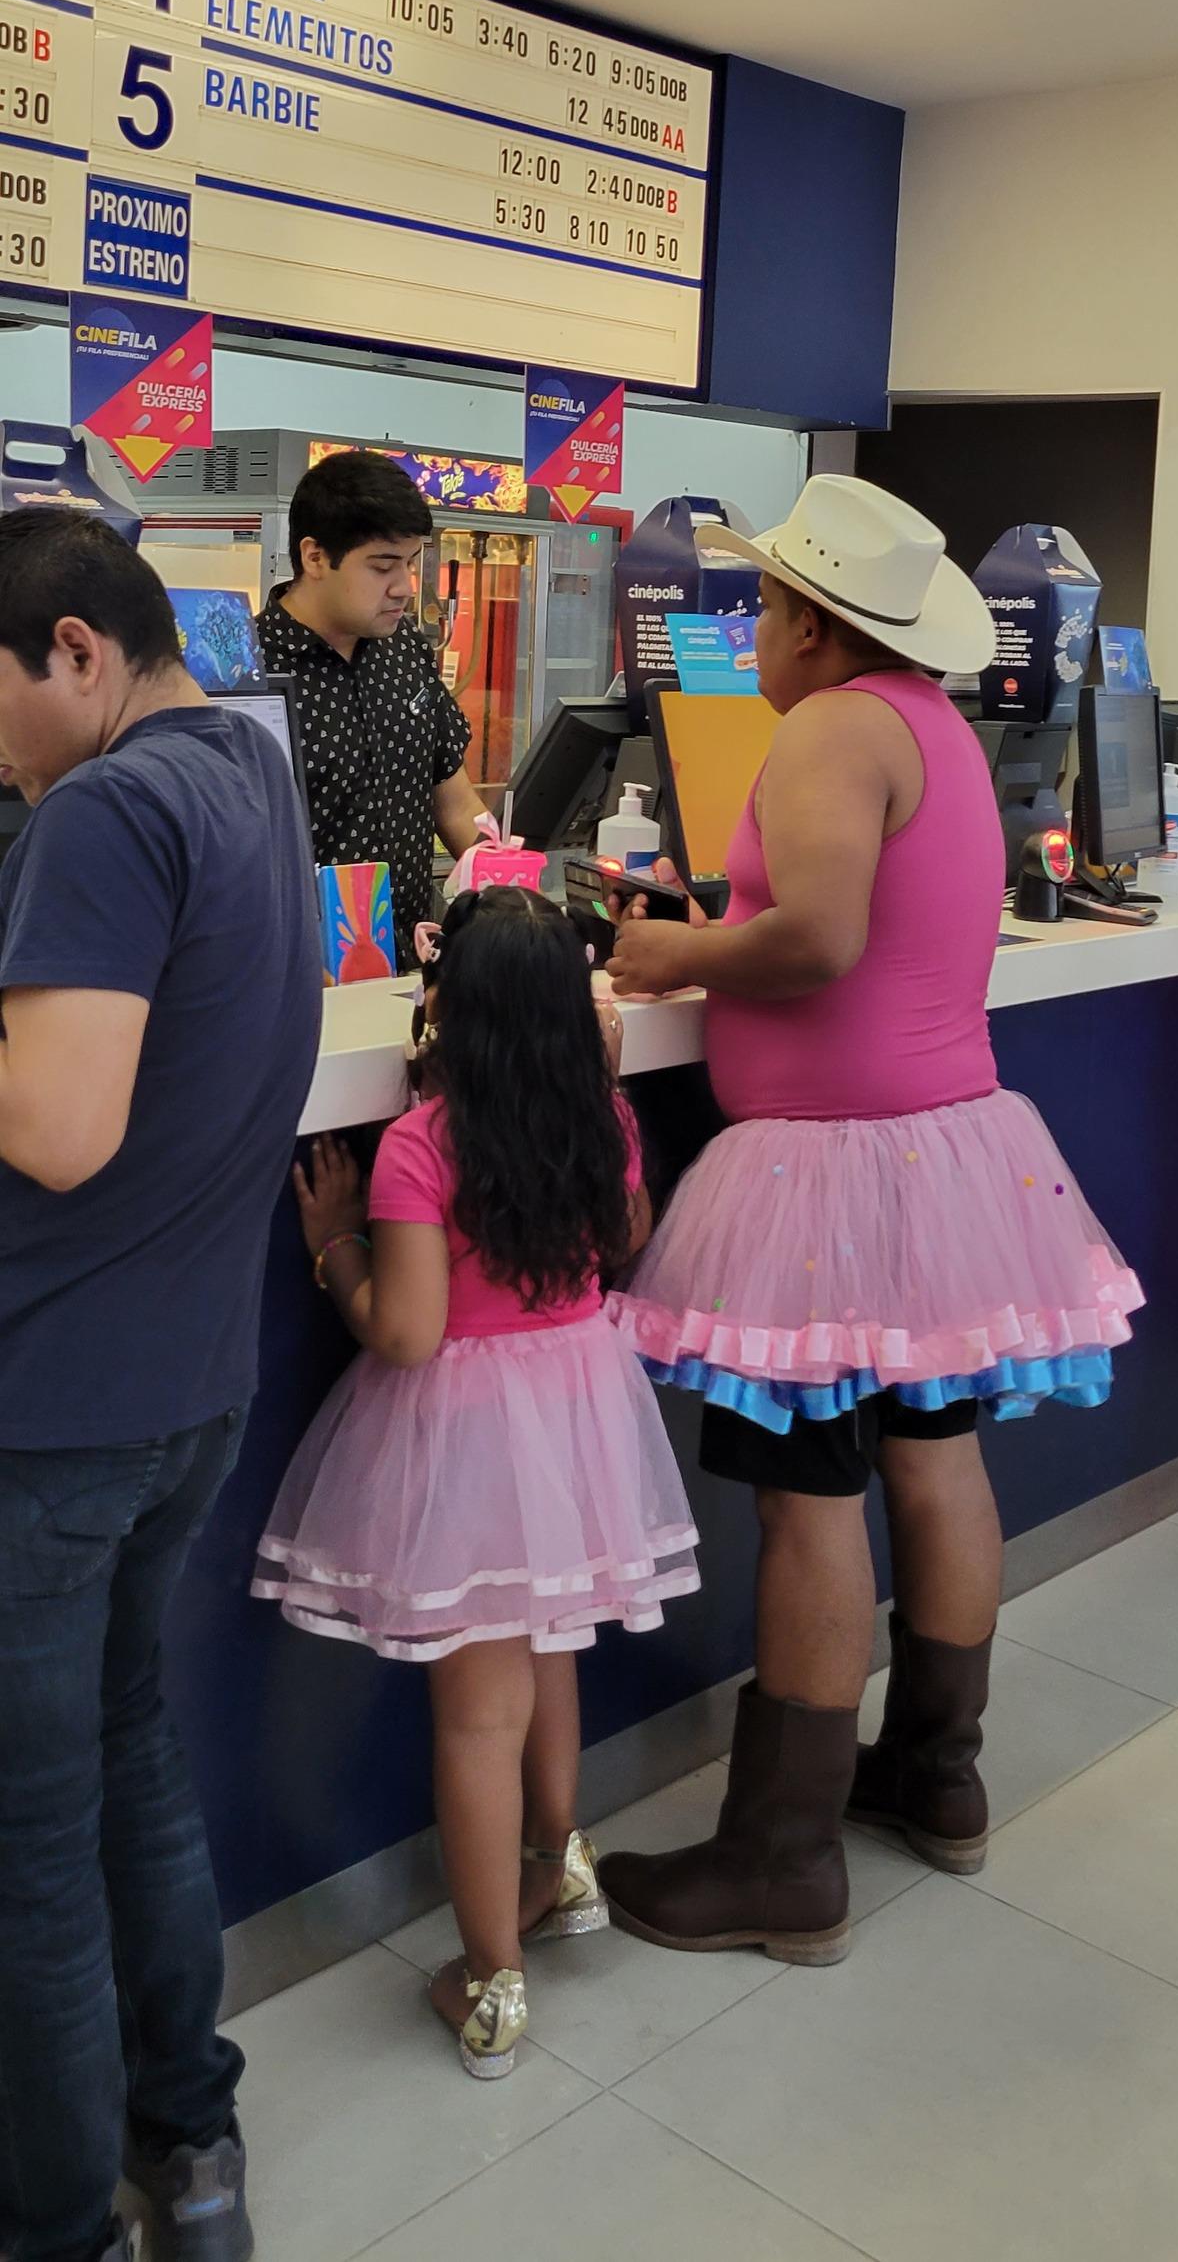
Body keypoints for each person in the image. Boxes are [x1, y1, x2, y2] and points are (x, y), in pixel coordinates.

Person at [601, 474, 1143, 1966]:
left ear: (805, 618)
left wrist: (669, 950)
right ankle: (934, 1769)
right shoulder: (933, 727)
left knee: (809, 1498)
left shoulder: (827, 725)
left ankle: (781, 1851)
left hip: (830, 1176)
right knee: (934, 1455)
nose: (748, 630)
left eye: (761, 604)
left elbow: (819, 935)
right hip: (950, 1159)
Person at [0, 510, 322, 2262]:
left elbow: (56, 1125)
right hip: (185, 1385)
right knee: (129, 1759)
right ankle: (188, 2155)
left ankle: (59, 2227)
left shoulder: (105, 808)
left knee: (31, 1842)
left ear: (72, 650)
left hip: (50, 1406)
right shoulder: (243, 769)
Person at [255, 886, 699, 2080]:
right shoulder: (599, 1119)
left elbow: (403, 1332)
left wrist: (333, 1246)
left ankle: (491, 1977)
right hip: (576, 1420)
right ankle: (563, 1870)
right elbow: (622, 1242)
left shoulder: (417, 1148)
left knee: (477, 1716)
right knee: (551, 1653)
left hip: (465, 1440)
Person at [256, 449, 490, 957]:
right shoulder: (248, 671)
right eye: (382, 566)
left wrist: (504, 887)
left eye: (410, 563)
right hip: (298, 969)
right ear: (315, 557)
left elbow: (454, 802)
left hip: (413, 959)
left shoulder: (405, 649)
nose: (404, 587)